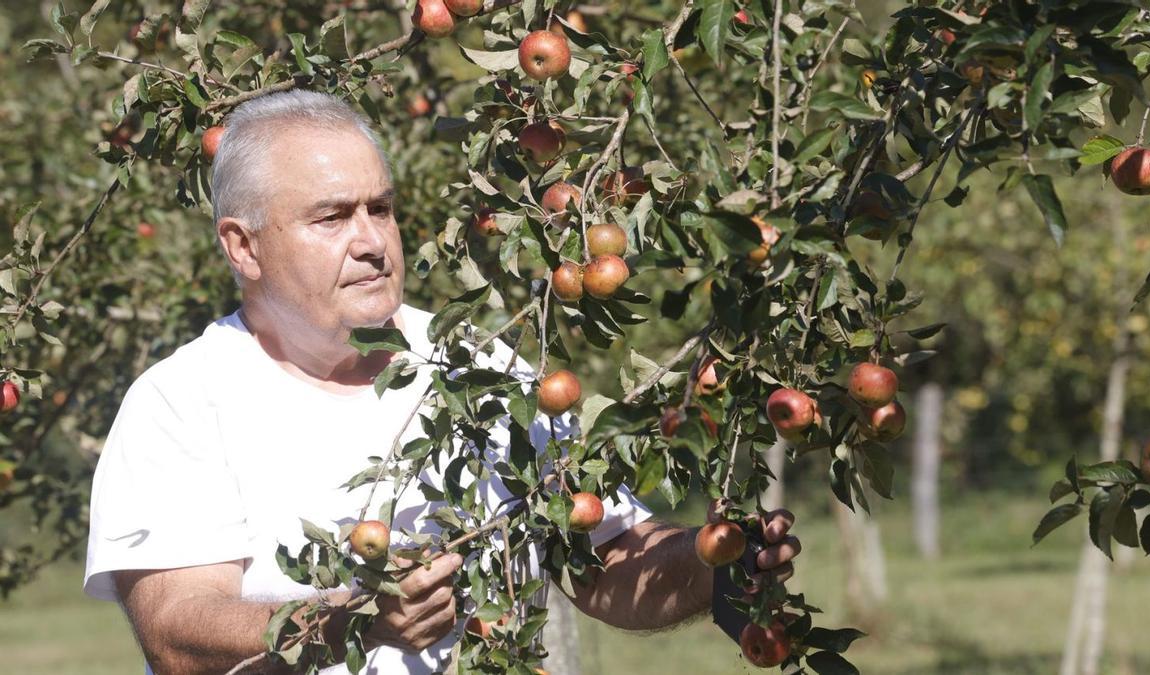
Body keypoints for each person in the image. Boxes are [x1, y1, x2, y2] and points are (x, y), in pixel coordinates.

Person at [83, 90, 801, 674]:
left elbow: (603, 559)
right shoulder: (181, 404)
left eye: (381, 208)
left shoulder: (480, 366)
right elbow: (177, 632)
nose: (371, 240)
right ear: (243, 246)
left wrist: (716, 561)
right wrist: (351, 621)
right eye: (331, 217)